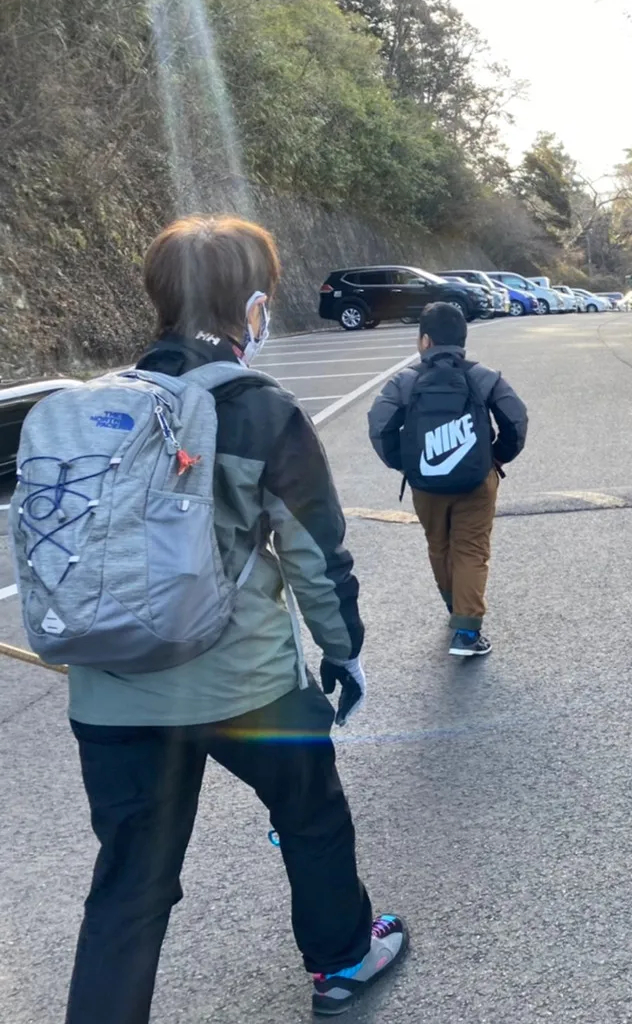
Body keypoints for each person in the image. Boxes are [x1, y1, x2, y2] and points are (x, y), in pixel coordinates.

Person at [38, 217, 405, 1021]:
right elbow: (315, 555)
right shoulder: (259, 409)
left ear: (157, 299)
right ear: (254, 306)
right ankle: (344, 959)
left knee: (130, 880)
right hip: (245, 687)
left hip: (110, 694)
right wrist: (343, 655)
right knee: (309, 815)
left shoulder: (94, 410)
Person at [368, 301, 528, 657]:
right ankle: (467, 633)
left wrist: (405, 464)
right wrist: (497, 455)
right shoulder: (484, 377)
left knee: (439, 546)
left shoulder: (405, 382)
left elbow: (379, 427)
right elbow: (516, 421)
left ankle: (454, 607)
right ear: (462, 340)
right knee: (471, 549)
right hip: (475, 481)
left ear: (424, 340)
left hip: (425, 483)